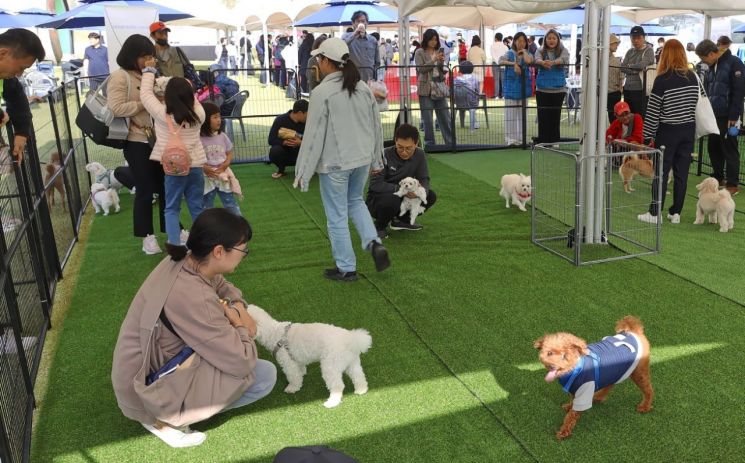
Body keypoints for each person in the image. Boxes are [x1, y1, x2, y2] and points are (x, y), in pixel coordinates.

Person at [111, 208, 276, 448]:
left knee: (242, 363)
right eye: (243, 249)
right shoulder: (194, 296)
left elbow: (220, 283)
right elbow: (242, 361)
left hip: (144, 370)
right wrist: (240, 323)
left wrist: (238, 305)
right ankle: (166, 420)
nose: (245, 254)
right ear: (219, 251)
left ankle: (175, 410)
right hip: (149, 386)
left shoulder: (184, 259)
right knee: (262, 376)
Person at [293, 38, 390, 282]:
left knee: (336, 215)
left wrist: (303, 172)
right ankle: (373, 242)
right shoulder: (362, 87)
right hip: (361, 159)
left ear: (326, 61)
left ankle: (346, 267)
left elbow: (313, 135)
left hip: (335, 163)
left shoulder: (323, 92)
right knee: (355, 202)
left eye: (319, 59)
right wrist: (376, 158)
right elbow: (376, 126)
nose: (317, 62)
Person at [140, 55, 206, 254]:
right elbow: (190, 95)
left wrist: (149, 72)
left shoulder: (162, 115)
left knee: (171, 207)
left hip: (173, 168)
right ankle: (200, 244)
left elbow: (145, 95)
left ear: (168, 97)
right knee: (197, 207)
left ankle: (175, 245)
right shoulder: (199, 115)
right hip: (195, 165)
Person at [108, 35, 167, 255]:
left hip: (157, 138)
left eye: (151, 55)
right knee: (144, 189)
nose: (149, 60)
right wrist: (147, 103)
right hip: (135, 140)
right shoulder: (120, 77)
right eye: (145, 56)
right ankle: (147, 237)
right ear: (133, 56)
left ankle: (171, 229)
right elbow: (115, 108)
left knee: (165, 186)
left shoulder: (149, 74)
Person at [637, 39, 699, 225]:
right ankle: (676, 213)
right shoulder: (693, 77)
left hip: (668, 131)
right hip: (688, 129)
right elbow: (695, 104)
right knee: (682, 174)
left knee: (661, 173)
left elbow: (653, 111)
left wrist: (647, 136)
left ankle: (655, 213)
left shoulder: (662, 80)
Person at [366, 124, 437, 237]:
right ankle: (379, 226)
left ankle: (401, 221)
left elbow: (424, 178)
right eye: (400, 147)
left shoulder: (420, 154)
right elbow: (375, 185)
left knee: (430, 196)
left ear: (416, 143)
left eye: (409, 148)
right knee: (393, 198)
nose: (404, 152)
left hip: (404, 196)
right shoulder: (383, 154)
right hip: (379, 200)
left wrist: (421, 191)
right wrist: (401, 189)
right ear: (395, 141)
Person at [696, 39, 745, 196]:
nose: (703, 62)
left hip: (728, 115)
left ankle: (732, 184)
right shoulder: (712, 66)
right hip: (713, 114)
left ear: (711, 53)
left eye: (704, 58)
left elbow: (739, 91)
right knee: (714, 147)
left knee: (729, 148)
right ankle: (718, 177)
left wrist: (734, 115)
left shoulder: (734, 63)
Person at [0, 29, 45, 167]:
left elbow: (18, 98)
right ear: (2, 54)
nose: (20, 74)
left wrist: (21, 133)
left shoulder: (6, 77)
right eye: (21, 67)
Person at [414, 28, 454, 149]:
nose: (434, 42)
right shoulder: (419, 52)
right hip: (426, 88)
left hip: (439, 86)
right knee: (427, 119)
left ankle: (450, 143)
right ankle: (430, 144)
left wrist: (442, 63)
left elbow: (441, 71)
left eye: (436, 40)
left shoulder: (439, 51)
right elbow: (421, 69)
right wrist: (434, 59)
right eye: (432, 39)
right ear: (426, 39)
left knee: (445, 116)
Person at [201, 103, 242, 216]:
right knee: (206, 205)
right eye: (215, 117)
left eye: (219, 116)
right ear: (204, 119)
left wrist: (226, 164)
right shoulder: (198, 139)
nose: (219, 120)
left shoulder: (222, 136)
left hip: (223, 174)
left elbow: (229, 153)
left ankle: (239, 225)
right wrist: (204, 168)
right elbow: (194, 158)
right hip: (206, 177)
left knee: (230, 203)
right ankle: (208, 226)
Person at [499, 31, 534, 146]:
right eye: (519, 41)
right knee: (511, 115)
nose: (521, 43)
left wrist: (524, 52)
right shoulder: (509, 53)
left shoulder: (527, 53)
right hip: (511, 89)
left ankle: (522, 138)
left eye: (524, 41)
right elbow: (500, 61)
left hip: (524, 88)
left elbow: (529, 61)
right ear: (514, 41)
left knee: (523, 114)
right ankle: (511, 139)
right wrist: (513, 63)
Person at [534, 29, 569, 144]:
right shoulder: (540, 50)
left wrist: (552, 62)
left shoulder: (563, 50)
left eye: (554, 38)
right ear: (545, 40)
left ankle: (554, 141)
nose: (551, 40)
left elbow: (564, 59)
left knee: (555, 117)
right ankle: (543, 141)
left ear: (558, 40)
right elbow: (536, 58)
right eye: (549, 38)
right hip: (542, 89)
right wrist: (542, 62)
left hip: (558, 89)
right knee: (543, 117)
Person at [268, 99, 308, 179]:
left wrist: (301, 143)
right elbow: (271, 139)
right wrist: (284, 142)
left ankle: (306, 169)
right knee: (275, 150)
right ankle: (281, 170)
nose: (309, 116)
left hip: (301, 153)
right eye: (307, 114)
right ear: (300, 113)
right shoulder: (280, 120)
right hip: (286, 154)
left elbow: (314, 140)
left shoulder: (308, 123)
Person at [621, 26, 655, 118]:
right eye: (633, 38)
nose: (635, 40)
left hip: (641, 89)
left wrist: (630, 67)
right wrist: (636, 70)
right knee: (628, 116)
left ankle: (640, 133)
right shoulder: (629, 51)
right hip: (627, 88)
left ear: (644, 38)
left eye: (638, 38)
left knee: (640, 117)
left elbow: (642, 65)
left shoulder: (649, 51)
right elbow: (622, 67)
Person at [150, 21, 198, 86]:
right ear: (153, 36)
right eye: (160, 33)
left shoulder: (177, 50)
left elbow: (189, 70)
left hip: (182, 89)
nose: (164, 36)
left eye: (166, 33)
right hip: (163, 93)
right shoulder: (151, 55)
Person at [342, 10, 379, 83]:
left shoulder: (373, 40)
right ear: (353, 23)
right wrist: (354, 35)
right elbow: (340, 47)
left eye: (363, 21)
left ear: (367, 23)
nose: (361, 23)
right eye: (358, 21)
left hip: (368, 79)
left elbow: (377, 62)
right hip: (351, 78)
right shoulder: (346, 37)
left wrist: (376, 78)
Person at [454, 60, 481, 131]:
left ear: (460, 69)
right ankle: (474, 124)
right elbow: (477, 92)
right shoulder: (475, 79)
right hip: (472, 103)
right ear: (472, 69)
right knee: (473, 101)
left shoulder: (456, 80)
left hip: (458, 103)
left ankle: (463, 124)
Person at [607, 34, 624, 123]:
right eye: (615, 43)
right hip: (607, 91)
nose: (617, 46)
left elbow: (621, 76)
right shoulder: (600, 58)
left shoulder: (615, 60)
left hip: (614, 92)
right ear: (609, 43)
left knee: (614, 118)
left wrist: (620, 87)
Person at [491, 32, 508, 99]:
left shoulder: (493, 45)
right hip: (503, 63)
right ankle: (503, 95)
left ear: (495, 38)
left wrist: (498, 62)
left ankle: (496, 95)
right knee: (503, 80)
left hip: (495, 64)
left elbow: (493, 55)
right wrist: (501, 62)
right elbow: (506, 56)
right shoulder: (505, 46)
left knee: (496, 80)